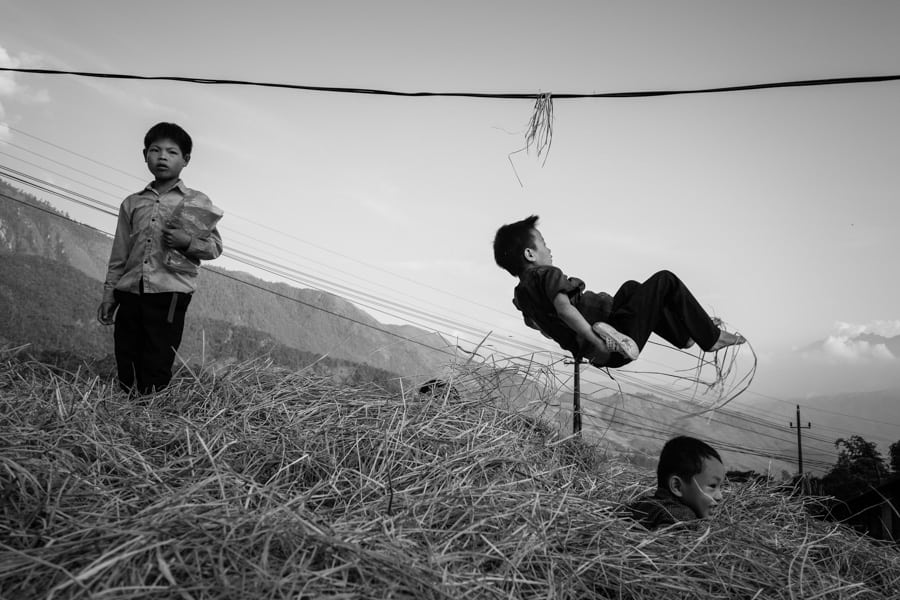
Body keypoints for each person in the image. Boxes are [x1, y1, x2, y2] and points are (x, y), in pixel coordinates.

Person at [492, 215, 745, 368]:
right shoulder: (546, 274)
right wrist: (595, 340)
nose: (549, 249)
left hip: (605, 345)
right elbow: (565, 309)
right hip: (613, 342)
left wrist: (580, 346)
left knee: (632, 289)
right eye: (544, 244)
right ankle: (711, 338)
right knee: (665, 280)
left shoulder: (523, 297)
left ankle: (684, 336)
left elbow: (547, 327)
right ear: (530, 254)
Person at [97, 122, 223, 394]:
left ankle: (150, 418)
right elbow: (119, 253)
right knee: (126, 358)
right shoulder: (132, 203)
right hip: (130, 291)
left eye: (172, 152)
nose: (162, 157)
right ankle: (126, 419)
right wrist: (109, 295)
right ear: (145, 156)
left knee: (156, 361)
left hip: (170, 293)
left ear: (186, 160)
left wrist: (186, 242)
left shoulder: (197, 202)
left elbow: (214, 248)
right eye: (155, 150)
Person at [626, 435, 725, 529]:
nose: (720, 496)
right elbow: (667, 544)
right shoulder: (682, 516)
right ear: (677, 486)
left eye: (720, 487)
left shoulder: (642, 502)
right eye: (712, 485)